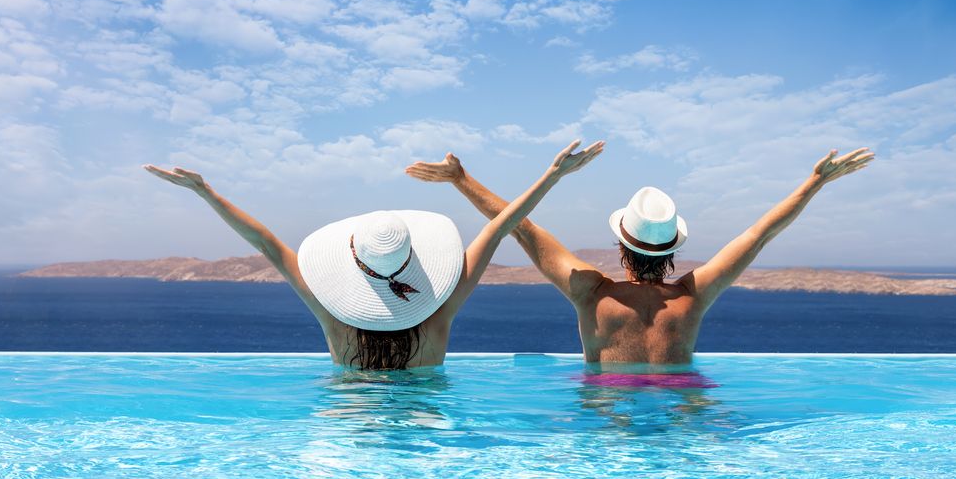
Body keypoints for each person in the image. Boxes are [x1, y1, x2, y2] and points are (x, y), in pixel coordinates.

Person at [144, 139, 604, 369]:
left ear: (351, 265)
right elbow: (502, 226)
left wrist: (205, 192)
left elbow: (264, 242)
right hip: (428, 437)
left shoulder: (332, 318)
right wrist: (552, 175)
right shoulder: (440, 313)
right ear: (414, 258)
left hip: (346, 436)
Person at [406, 147, 874, 367]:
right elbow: (759, 233)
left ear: (621, 243)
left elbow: (520, 228)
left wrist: (460, 178)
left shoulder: (590, 292)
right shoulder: (692, 295)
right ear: (674, 250)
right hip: (686, 406)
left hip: (610, 411)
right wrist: (815, 182)